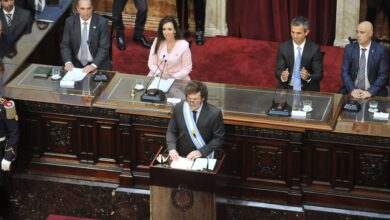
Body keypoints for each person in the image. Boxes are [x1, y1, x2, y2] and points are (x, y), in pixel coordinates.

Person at [166, 80, 224, 161]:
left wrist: (201, 152)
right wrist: (171, 148)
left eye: (196, 99)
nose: (191, 103)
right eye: (189, 99)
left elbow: (219, 138)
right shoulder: (179, 108)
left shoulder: (214, 113)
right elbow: (171, 131)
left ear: (203, 98)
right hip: (181, 157)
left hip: (203, 157)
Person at [340, 21, 389, 98]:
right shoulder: (349, 48)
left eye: (362, 32)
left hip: (374, 91)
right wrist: (352, 89)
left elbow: (383, 74)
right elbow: (345, 72)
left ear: (370, 34)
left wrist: (370, 91)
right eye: (357, 32)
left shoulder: (380, 50)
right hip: (352, 91)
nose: (358, 35)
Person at [60, 0, 112, 73]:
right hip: (76, 64)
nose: (86, 12)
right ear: (77, 8)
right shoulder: (70, 22)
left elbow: (104, 48)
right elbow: (65, 45)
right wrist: (68, 62)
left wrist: (93, 66)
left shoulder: (102, 22)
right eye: (82, 9)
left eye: (88, 8)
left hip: (98, 63)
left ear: (92, 8)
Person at [275, 16, 323, 92]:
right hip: (287, 88)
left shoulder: (315, 49)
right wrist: (282, 76)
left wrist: (308, 77)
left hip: (307, 89)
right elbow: (278, 71)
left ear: (306, 32)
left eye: (298, 33)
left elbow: (319, 74)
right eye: (292, 32)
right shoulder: (283, 47)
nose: (294, 36)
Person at [0, 72, 20, 218]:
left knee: (1, 188)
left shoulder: (6, 106)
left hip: (1, 153)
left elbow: (13, 133)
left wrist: (8, 157)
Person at [147, 16, 192, 80]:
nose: (166, 32)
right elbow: (151, 63)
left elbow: (187, 68)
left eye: (169, 29)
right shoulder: (157, 41)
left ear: (175, 30)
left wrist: (172, 77)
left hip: (178, 78)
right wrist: (159, 74)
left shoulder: (184, 45)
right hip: (158, 75)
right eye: (164, 29)